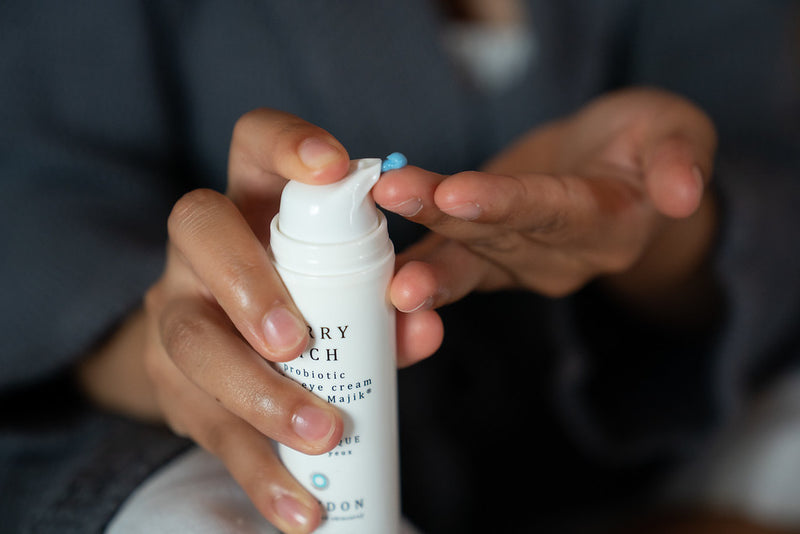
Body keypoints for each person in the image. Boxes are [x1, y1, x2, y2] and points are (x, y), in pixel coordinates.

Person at [1, 1, 799, 533]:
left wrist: (654, 229)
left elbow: (772, 185)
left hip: (618, 471)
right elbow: (35, 207)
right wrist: (161, 335)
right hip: (186, 467)